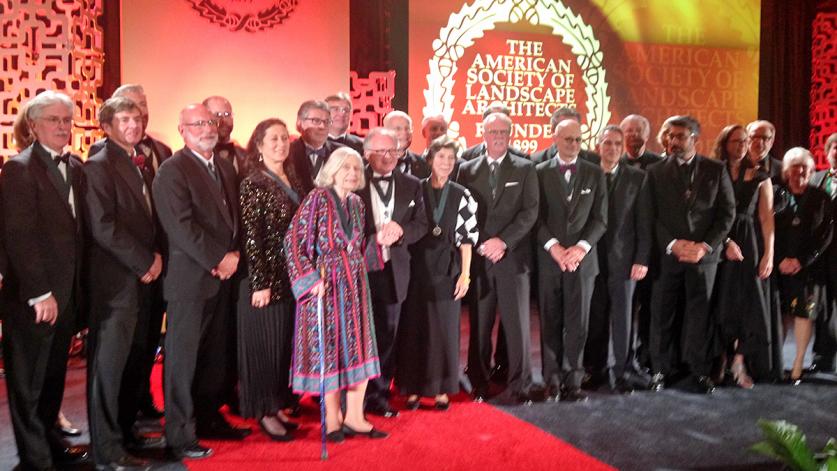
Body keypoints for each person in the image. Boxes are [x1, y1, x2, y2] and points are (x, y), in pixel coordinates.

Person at [152, 103, 247, 461]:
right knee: (182, 361)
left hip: (222, 279)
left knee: (214, 359)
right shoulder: (172, 171)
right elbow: (181, 226)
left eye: (210, 122)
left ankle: (208, 419)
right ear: (182, 130)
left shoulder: (222, 166)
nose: (207, 129)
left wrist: (234, 255)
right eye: (197, 124)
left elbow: (232, 221)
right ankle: (178, 434)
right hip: (190, 281)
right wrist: (218, 259)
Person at [1, 90, 89, 470]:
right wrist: (40, 294)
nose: (62, 126)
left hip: (67, 296)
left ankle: (50, 447)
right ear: (33, 126)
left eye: (67, 120)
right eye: (53, 120)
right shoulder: (19, 168)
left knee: (53, 380)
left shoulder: (76, 166)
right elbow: (19, 236)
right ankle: (36, 461)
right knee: (30, 385)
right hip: (35, 299)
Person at [284, 147, 387, 442]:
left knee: (359, 349)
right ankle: (332, 419)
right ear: (332, 170)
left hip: (355, 284)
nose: (353, 173)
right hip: (324, 287)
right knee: (329, 351)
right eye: (346, 168)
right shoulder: (317, 198)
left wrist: (379, 241)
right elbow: (293, 242)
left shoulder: (356, 203)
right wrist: (310, 279)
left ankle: (355, 417)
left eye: (357, 168)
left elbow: (359, 246)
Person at [83, 96, 164, 470]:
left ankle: (127, 432)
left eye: (136, 118)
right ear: (107, 125)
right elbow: (103, 227)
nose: (133, 125)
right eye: (124, 119)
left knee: (133, 365)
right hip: (116, 284)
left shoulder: (140, 162)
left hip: (142, 281)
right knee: (108, 370)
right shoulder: (98, 166)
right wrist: (144, 261)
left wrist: (156, 258)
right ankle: (108, 451)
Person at [646, 115, 735, 394]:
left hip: (703, 257)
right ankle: (660, 370)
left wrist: (704, 246)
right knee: (662, 314)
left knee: (700, 315)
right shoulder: (655, 171)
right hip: (669, 256)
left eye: (680, 136)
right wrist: (673, 244)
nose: (673, 141)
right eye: (670, 136)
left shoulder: (716, 169)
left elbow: (726, 213)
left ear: (694, 138)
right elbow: (651, 215)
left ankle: (698, 371)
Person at [456, 112, 539, 404]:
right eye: (493, 131)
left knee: (517, 327)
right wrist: (482, 243)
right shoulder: (466, 169)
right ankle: (479, 382)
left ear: (511, 134)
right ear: (484, 133)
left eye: (504, 131)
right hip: (480, 258)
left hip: (513, 258)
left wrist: (503, 241)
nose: (499, 136)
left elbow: (530, 212)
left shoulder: (526, 168)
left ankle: (521, 385)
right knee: (480, 324)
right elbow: (462, 212)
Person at [395, 136, 478, 411]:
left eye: (451, 159)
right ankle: (412, 388)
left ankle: (442, 388)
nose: (446, 163)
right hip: (415, 266)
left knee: (444, 330)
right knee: (414, 328)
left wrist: (465, 274)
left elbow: (466, 239)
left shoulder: (462, 194)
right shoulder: (414, 189)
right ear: (430, 160)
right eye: (440, 157)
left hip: (447, 268)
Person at [236, 118, 304, 441]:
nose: (280, 144)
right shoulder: (253, 182)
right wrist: (259, 282)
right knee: (264, 350)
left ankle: (277, 405)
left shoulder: (291, 176)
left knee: (281, 349)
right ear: (259, 145)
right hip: (264, 284)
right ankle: (263, 411)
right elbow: (252, 237)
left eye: (283, 138)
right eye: (272, 139)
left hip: (291, 279)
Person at [357, 127, 428, 417]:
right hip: (358, 269)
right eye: (381, 151)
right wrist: (370, 238)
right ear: (367, 153)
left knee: (387, 334)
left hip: (394, 270)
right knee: (358, 335)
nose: (388, 157)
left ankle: (378, 394)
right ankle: (352, 396)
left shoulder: (412, 184)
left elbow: (421, 224)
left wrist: (401, 233)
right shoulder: (352, 178)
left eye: (393, 151)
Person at [536, 119, 607, 402]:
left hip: (583, 262)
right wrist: (554, 248)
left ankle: (573, 380)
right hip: (550, 260)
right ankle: (551, 380)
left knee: (579, 324)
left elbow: (600, 219)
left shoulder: (594, 172)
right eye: (568, 139)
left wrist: (580, 249)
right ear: (555, 139)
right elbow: (535, 217)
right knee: (550, 321)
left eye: (578, 139)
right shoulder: (538, 172)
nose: (574, 144)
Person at [584, 125, 652, 394]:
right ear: (598, 146)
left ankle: (623, 372)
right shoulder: (587, 174)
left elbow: (644, 222)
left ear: (622, 148)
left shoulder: (637, 178)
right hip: (591, 260)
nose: (612, 148)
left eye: (616, 144)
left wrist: (641, 259)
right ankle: (595, 370)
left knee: (623, 319)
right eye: (607, 143)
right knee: (595, 318)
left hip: (624, 262)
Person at [711, 124, 776, 387]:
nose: (741, 145)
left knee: (748, 306)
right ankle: (721, 360)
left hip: (750, 245)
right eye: (735, 141)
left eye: (744, 141)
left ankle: (739, 362)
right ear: (725, 144)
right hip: (718, 242)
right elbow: (708, 213)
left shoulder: (761, 175)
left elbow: (766, 218)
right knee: (721, 303)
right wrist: (724, 241)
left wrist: (769, 254)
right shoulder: (714, 172)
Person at [774, 147, 833, 384]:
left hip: (808, 269)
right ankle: (777, 364)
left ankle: (798, 363)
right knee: (778, 314)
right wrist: (779, 260)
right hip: (777, 266)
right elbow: (765, 230)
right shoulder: (776, 194)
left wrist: (802, 261)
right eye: (795, 169)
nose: (800, 173)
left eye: (805, 169)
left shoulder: (821, 197)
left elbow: (825, 235)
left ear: (811, 172)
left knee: (803, 314)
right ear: (786, 172)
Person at [808, 132, 837, 374]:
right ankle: (822, 355)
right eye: (834, 147)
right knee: (822, 306)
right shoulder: (815, 178)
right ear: (826, 153)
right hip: (820, 255)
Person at [288, 100, 344, 193]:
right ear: (300, 122)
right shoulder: (287, 152)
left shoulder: (341, 152)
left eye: (327, 121)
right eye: (316, 121)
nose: (322, 126)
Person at [531, 107, 600, 165]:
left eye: (573, 126)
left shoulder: (593, 160)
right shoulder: (536, 160)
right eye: (564, 127)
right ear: (553, 131)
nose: (570, 131)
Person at [204, 95, 247, 175]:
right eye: (217, 115)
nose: (223, 120)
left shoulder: (246, 156)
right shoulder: (195, 157)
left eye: (227, 114)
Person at [383, 110, 430, 179]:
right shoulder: (372, 162)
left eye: (407, 129)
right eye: (398, 129)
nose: (404, 133)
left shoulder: (422, 164)